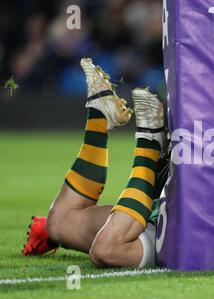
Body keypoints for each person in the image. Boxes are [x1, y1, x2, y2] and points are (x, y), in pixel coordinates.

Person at [23, 58, 167, 268]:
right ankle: (99, 120)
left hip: (180, 228)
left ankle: (150, 148)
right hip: (160, 205)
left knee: (107, 250)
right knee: (59, 222)